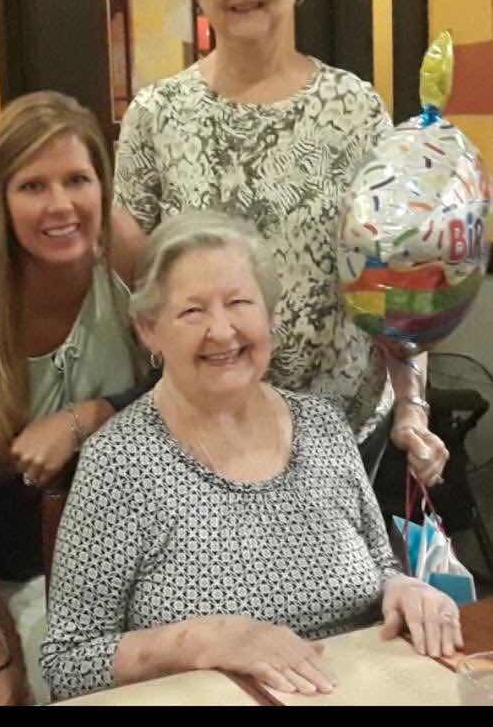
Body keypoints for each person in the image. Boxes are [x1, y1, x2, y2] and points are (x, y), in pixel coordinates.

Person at [41, 211, 462, 703]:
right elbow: (68, 663)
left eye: (239, 302)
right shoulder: (118, 462)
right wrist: (200, 641)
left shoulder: (324, 427)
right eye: (192, 311)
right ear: (149, 330)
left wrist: (404, 590)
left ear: (270, 316)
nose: (222, 331)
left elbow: (379, 566)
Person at [111, 0, 448, 487]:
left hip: (341, 437)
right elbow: (139, 279)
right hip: (202, 437)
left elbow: (396, 273)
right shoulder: (157, 115)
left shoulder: (355, 109)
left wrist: (412, 407)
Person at [0, 91, 147, 706]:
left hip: (105, 560)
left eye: (77, 180)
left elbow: (187, 379)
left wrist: (88, 416)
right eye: (33, 186)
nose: (61, 205)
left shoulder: (126, 256)